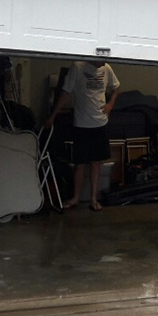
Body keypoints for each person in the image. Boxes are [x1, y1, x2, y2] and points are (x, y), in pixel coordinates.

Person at [45, 61, 120, 211]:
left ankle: (93, 198)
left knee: (96, 162)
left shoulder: (106, 68)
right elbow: (66, 92)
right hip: (82, 123)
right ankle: (76, 198)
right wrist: (52, 116)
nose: (103, 62)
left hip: (100, 122)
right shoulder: (77, 67)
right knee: (79, 163)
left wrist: (110, 104)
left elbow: (116, 86)